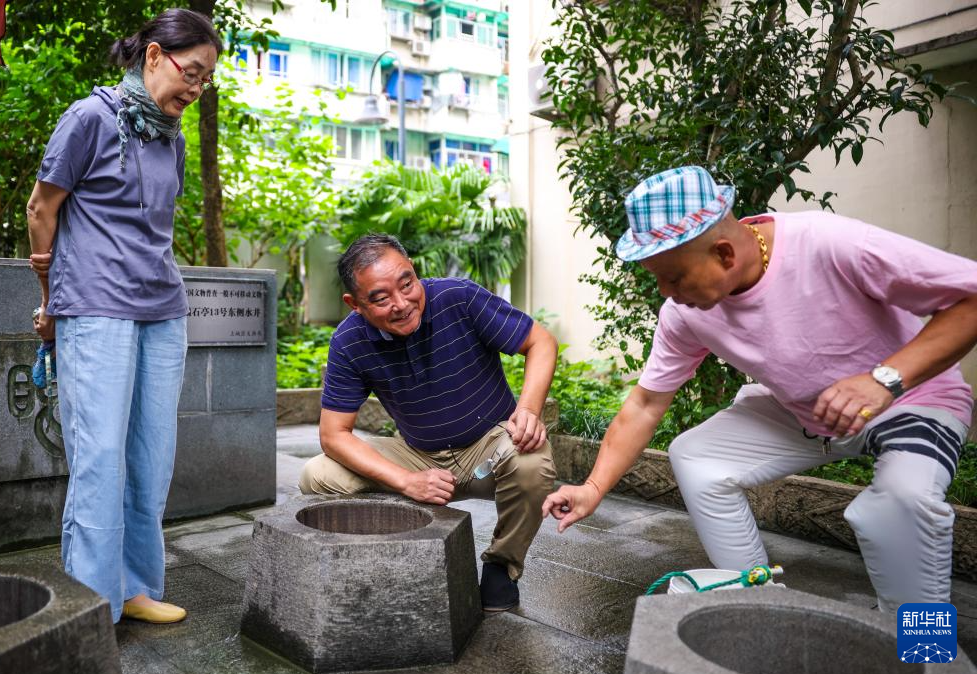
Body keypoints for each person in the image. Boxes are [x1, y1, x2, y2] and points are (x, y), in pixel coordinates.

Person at [543, 166, 977, 611]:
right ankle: (760, 606)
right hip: (809, 412)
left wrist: (883, 379)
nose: (665, 292)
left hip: (912, 398)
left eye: (673, 277)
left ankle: (926, 647)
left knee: (898, 508)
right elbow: (645, 404)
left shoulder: (828, 244)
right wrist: (592, 488)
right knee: (696, 455)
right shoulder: (685, 313)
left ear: (725, 254)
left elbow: (971, 298)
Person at [26, 8, 221, 624]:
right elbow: (41, 208)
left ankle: (135, 588)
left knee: (150, 456)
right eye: (191, 72)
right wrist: (50, 296)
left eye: (206, 79)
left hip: (162, 308)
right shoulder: (90, 117)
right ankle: (92, 604)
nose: (196, 88)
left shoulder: (173, 137)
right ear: (155, 55)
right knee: (100, 455)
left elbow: (155, 225)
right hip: (96, 305)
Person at [300, 234, 559, 611]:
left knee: (532, 459)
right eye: (381, 298)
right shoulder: (349, 342)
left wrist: (529, 411)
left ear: (414, 271)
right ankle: (384, 555)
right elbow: (333, 435)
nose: (402, 304)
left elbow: (541, 342)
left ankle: (502, 564)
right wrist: (406, 481)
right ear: (355, 304)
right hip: (419, 458)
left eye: (407, 284)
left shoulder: (459, 298)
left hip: (491, 453)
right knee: (317, 475)